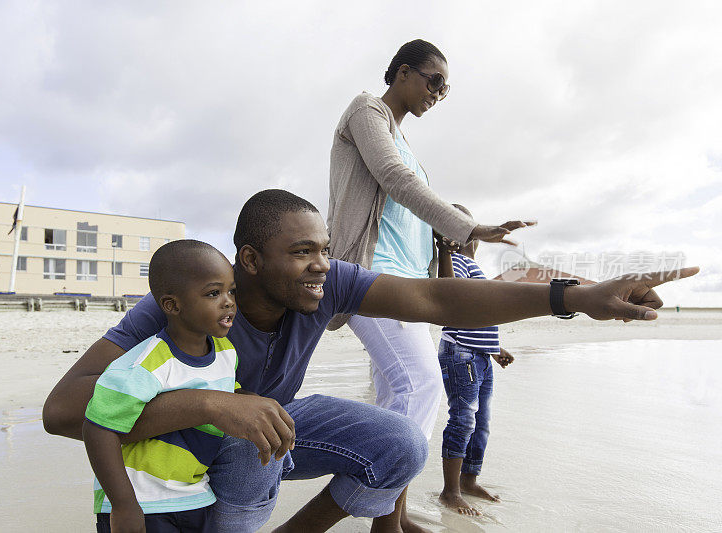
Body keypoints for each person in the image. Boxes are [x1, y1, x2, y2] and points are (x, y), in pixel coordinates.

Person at [42, 189, 696, 533]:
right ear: (248, 261)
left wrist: (574, 297)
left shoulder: (328, 285)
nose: (322, 263)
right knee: (245, 437)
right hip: (175, 472)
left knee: (402, 441)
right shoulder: (188, 299)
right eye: (301, 251)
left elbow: (433, 294)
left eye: (325, 248)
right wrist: (211, 402)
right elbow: (63, 408)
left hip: (268, 429)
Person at [327, 39, 534, 527]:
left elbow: (411, 199)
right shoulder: (366, 110)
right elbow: (394, 178)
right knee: (421, 386)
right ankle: (375, 514)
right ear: (402, 73)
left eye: (446, 88)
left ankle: (389, 514)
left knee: (391, 397)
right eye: (433, 80)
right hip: (369, 273)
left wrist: (447, 240)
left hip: (407, 286)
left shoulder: (407, 143)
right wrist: (470, 227)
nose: (438, 93)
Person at [83, 239, 237, 533]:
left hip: (195, 497)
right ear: (172, 305)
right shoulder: (145, 363)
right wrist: (124, 505)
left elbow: (229, 395)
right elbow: (97, 429)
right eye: (213, 293)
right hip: (143, 501)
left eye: (232, 291)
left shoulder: (227, 352)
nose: (228, 301)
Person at [435, 205, 514, 516]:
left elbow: (477, 313)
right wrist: (444, 251)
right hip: (460, 353)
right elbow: (449, 294)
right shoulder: (454, 261)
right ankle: (450, 491)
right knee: (463, 420)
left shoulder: (471, 264)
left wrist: (495, 348)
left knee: (481, 424)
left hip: (480, 354)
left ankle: (469, 481)